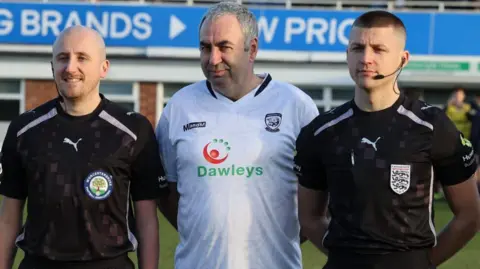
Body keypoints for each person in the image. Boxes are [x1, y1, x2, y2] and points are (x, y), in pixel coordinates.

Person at [294, 10, 480, 269]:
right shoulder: (321, 131)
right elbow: (310, 218)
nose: (366, 58)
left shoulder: (432, 125)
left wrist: (423, 262)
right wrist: (345, 258)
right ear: (348, 55)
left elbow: (470, 214)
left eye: (378, 49)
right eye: (357, 48)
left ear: (403, 59)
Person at [155, 2, 319, 269]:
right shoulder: (179, 106)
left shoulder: (296, 105)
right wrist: (202, 230)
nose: (212, 59)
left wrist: (284, 235)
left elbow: (318, 192)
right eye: (205, 47)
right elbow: (167, 191)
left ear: (252, 49)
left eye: (224, 47)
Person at [0, 25, 166, 269]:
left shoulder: (133, 130)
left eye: (82, 58)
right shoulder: (24, 129)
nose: (70, 68)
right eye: (62, 58)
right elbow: (9, 217)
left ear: (103, 68)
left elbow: (147, 220)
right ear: (52, 67)